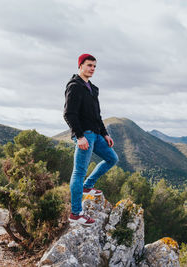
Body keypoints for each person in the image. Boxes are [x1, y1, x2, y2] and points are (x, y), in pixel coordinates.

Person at [63, 53, 118, 226]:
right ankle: (76, 213)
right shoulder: (74, 86)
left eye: (94, 66)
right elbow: (69, 114)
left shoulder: (93, 89)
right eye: (89, 65)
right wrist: (79, 136)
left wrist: (105, 133)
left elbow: (97, 115)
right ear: (80, 66)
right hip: (84, 135)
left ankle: (88, 185)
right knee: (79, 172)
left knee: (112, 158)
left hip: (96, 134)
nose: (92, 69)